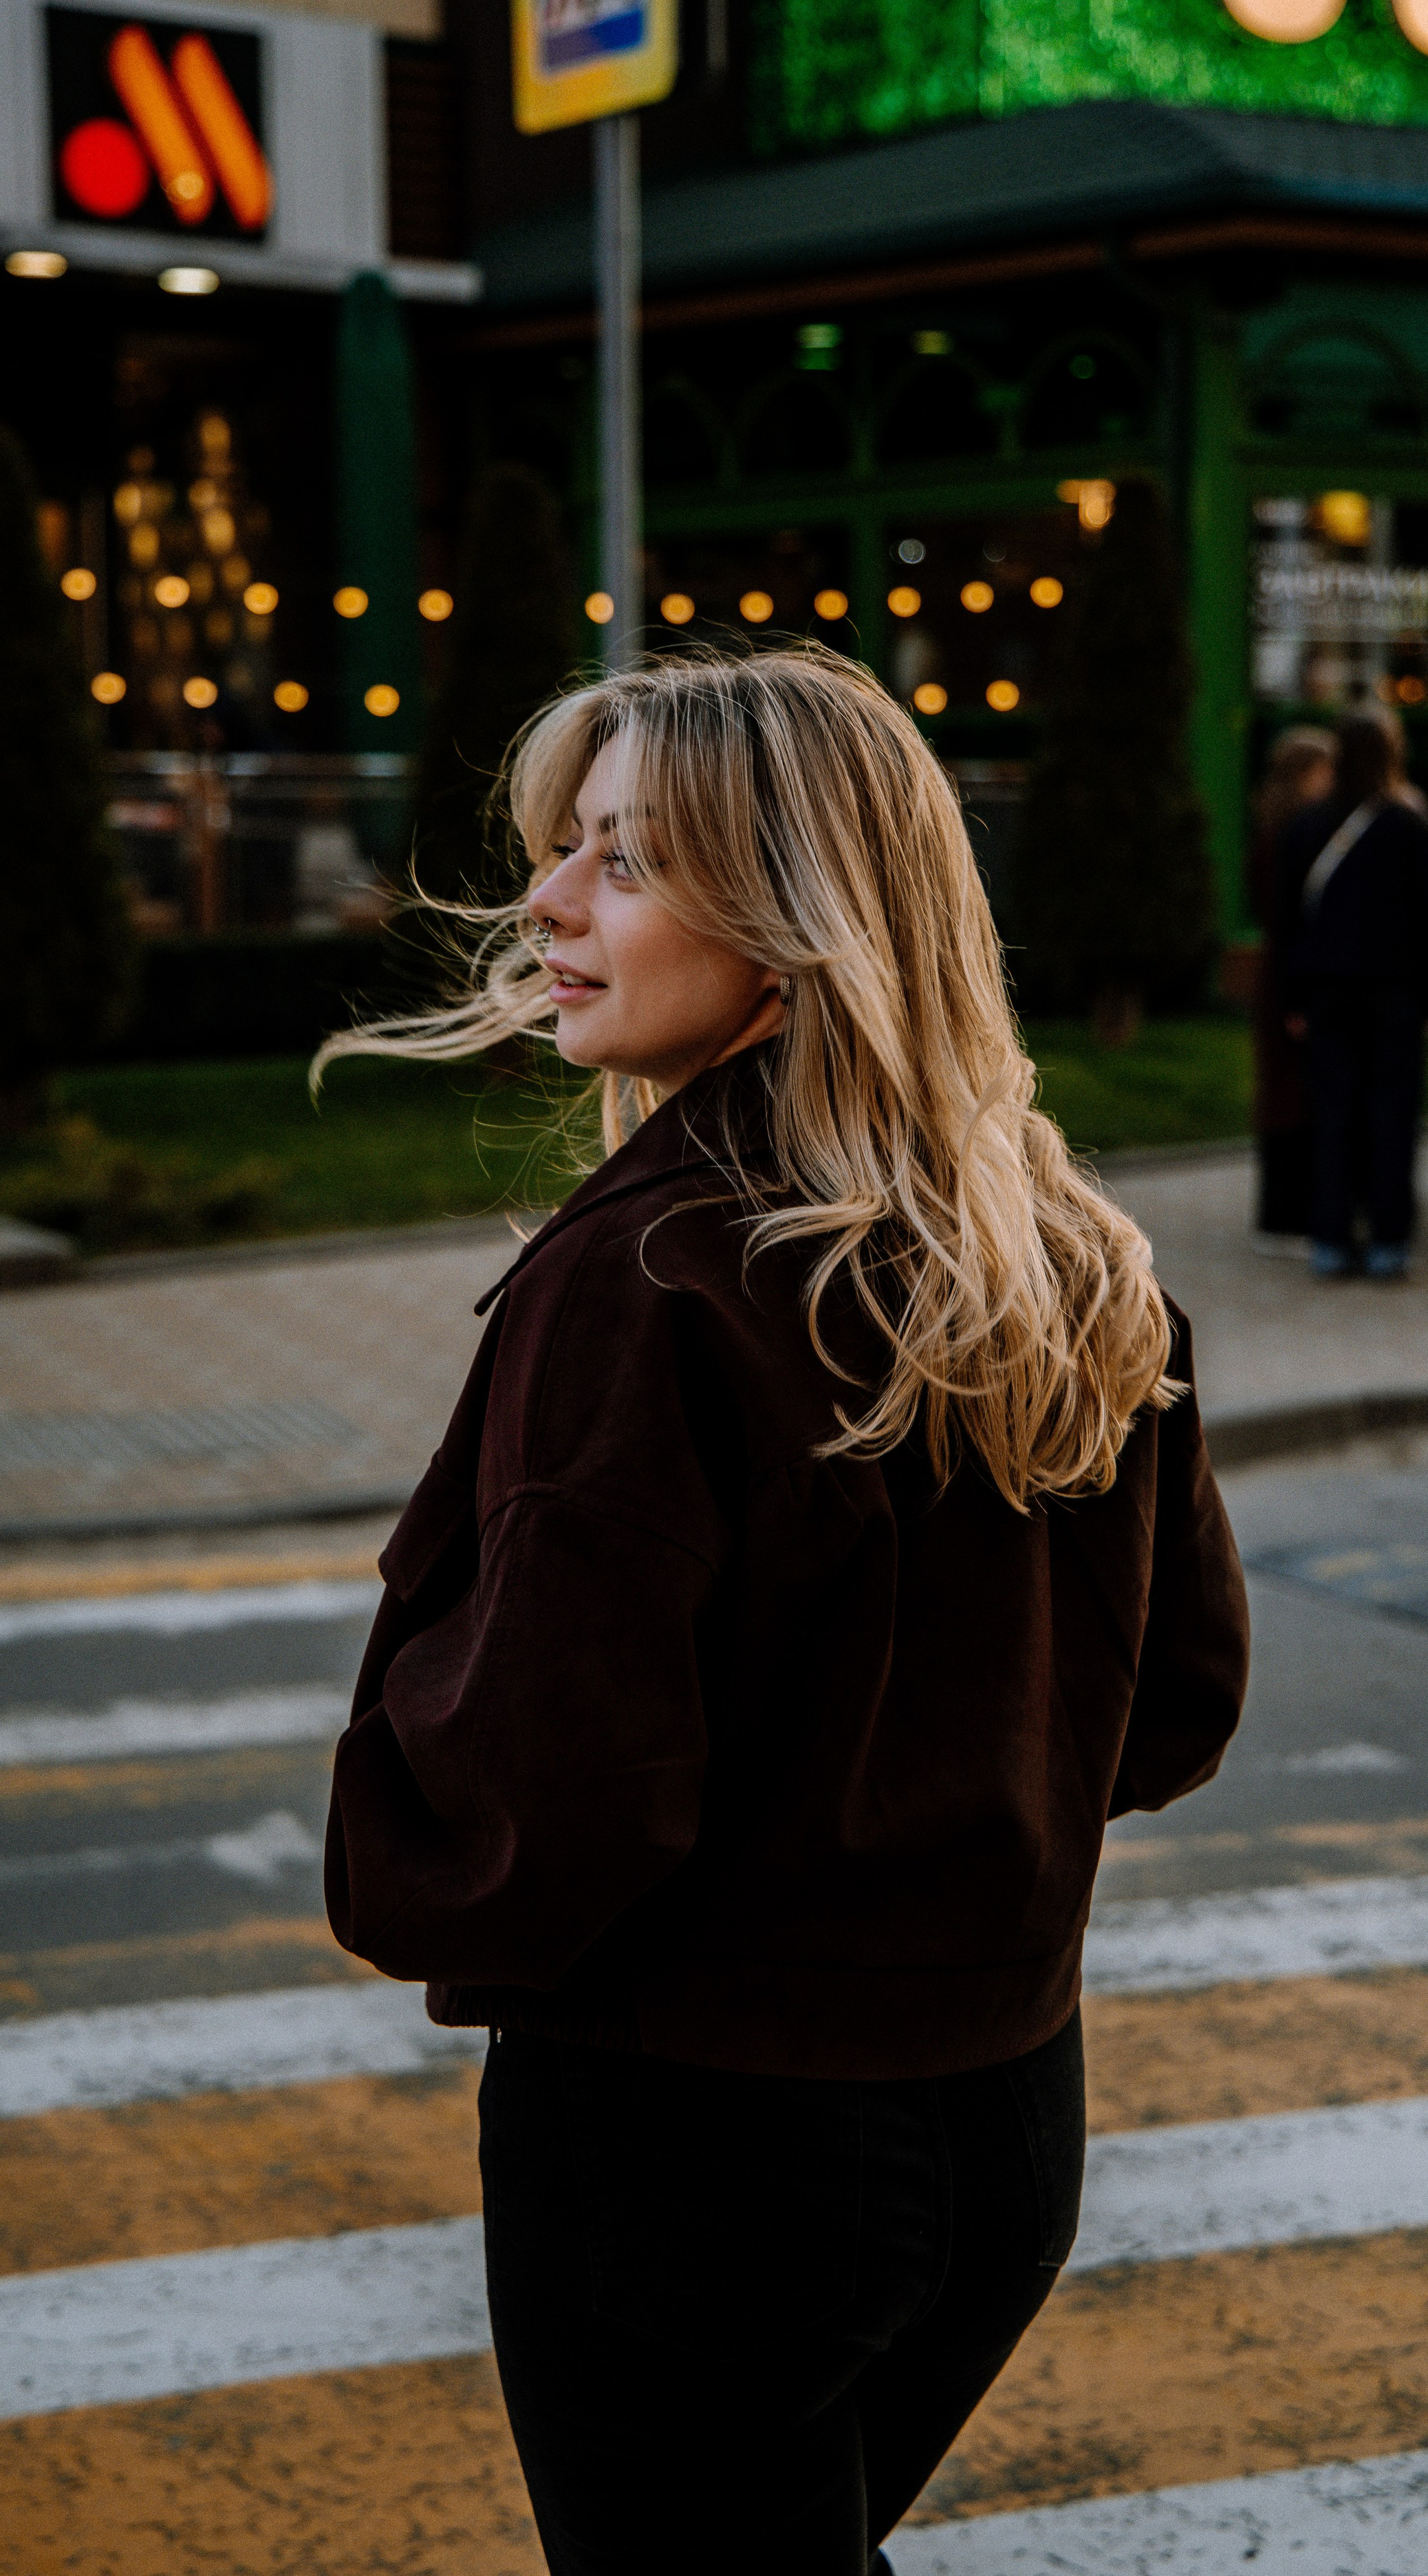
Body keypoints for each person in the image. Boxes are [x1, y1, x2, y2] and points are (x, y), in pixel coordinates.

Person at [317, 648, 1251, 2575]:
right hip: (1002, 2125)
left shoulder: (652, 1277)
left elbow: (536, 1808)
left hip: (692, 2156)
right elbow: (1174, 1706)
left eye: (625, 864)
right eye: (560, 853)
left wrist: (409, 1783)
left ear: (803, 924)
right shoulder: (1065, 1255)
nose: (549, 909)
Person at [1277, 709, 1428, 1281]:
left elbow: (1287, 922)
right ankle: (1388, 1241)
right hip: (1396, 992)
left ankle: (1330, 1238)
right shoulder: (1410, 826)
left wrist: (1292, 998)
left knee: (1333, 1116)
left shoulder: (1306, 827)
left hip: (1326, 991)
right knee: (1392, 1115)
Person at [1248, 726, 1336, 1251]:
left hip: (1279, 976)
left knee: (1283, 1095)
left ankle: (1282, 1212)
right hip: (1289, 979)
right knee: (1293, 1097)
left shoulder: (1272, 833)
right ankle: (1288, 1214)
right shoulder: (1290, 839)